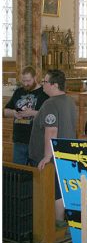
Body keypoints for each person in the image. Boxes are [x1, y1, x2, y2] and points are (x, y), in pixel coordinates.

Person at [28, 69, 77, 226]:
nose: (43, 84)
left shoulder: (50, 104)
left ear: (54, 85)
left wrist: (47, 156)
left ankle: (55, 224)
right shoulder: (69, 100)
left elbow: (51, 130)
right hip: (66, 154)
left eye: (45, 82)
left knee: (55, 191)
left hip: (52, 158)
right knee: (62, 189)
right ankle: (59, 221)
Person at [4, 66, 49, 164]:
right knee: (19, 173)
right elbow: (5, 111)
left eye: (28, 81)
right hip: (19, 140)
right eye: (23, 81)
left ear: (35, 78)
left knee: (36, 174)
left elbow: (49, 116)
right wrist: (14, 113)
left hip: (36, 141)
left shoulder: (44, 93)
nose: (25, 84)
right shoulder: (18, 91)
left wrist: (32, 113)